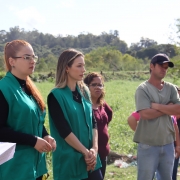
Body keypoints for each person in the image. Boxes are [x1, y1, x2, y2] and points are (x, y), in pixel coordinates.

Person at [0, 40, 56, 180]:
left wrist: (45, 135)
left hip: (35, 167)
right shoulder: (3, 89)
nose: (32, 61)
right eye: (26, 57)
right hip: (14, 169)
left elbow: (33, 119)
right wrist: (32, 141)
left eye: (33, 57)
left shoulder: (29, 88)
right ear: (12, 61)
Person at [47, 49, 102, 180]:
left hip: (91, 159)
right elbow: (64, 131)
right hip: (69, 161)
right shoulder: (55, 96)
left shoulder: (85, 91)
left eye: (83, 65)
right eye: (79, 66)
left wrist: (94, 149)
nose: (83, 69)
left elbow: (93, 121)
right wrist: (85, 152)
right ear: (67, 67)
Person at [134, 53, 180, 180]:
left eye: (166, 67)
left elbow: (178, 109)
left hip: (168, 143)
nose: (164, 69)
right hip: (148, 144)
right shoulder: (142, 89)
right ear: (151, 66)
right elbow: (145, 114)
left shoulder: (171, 88)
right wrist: (168, 107)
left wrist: (157, 106)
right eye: (161, 66)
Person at [84, 72, 113, 179]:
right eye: (94, 84)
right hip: (90, 154)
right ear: (86, 86)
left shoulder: (102, 104)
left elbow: (108, 116)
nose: (98, 87)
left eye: (100, 85)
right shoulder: (84, 105)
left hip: (103, 152)